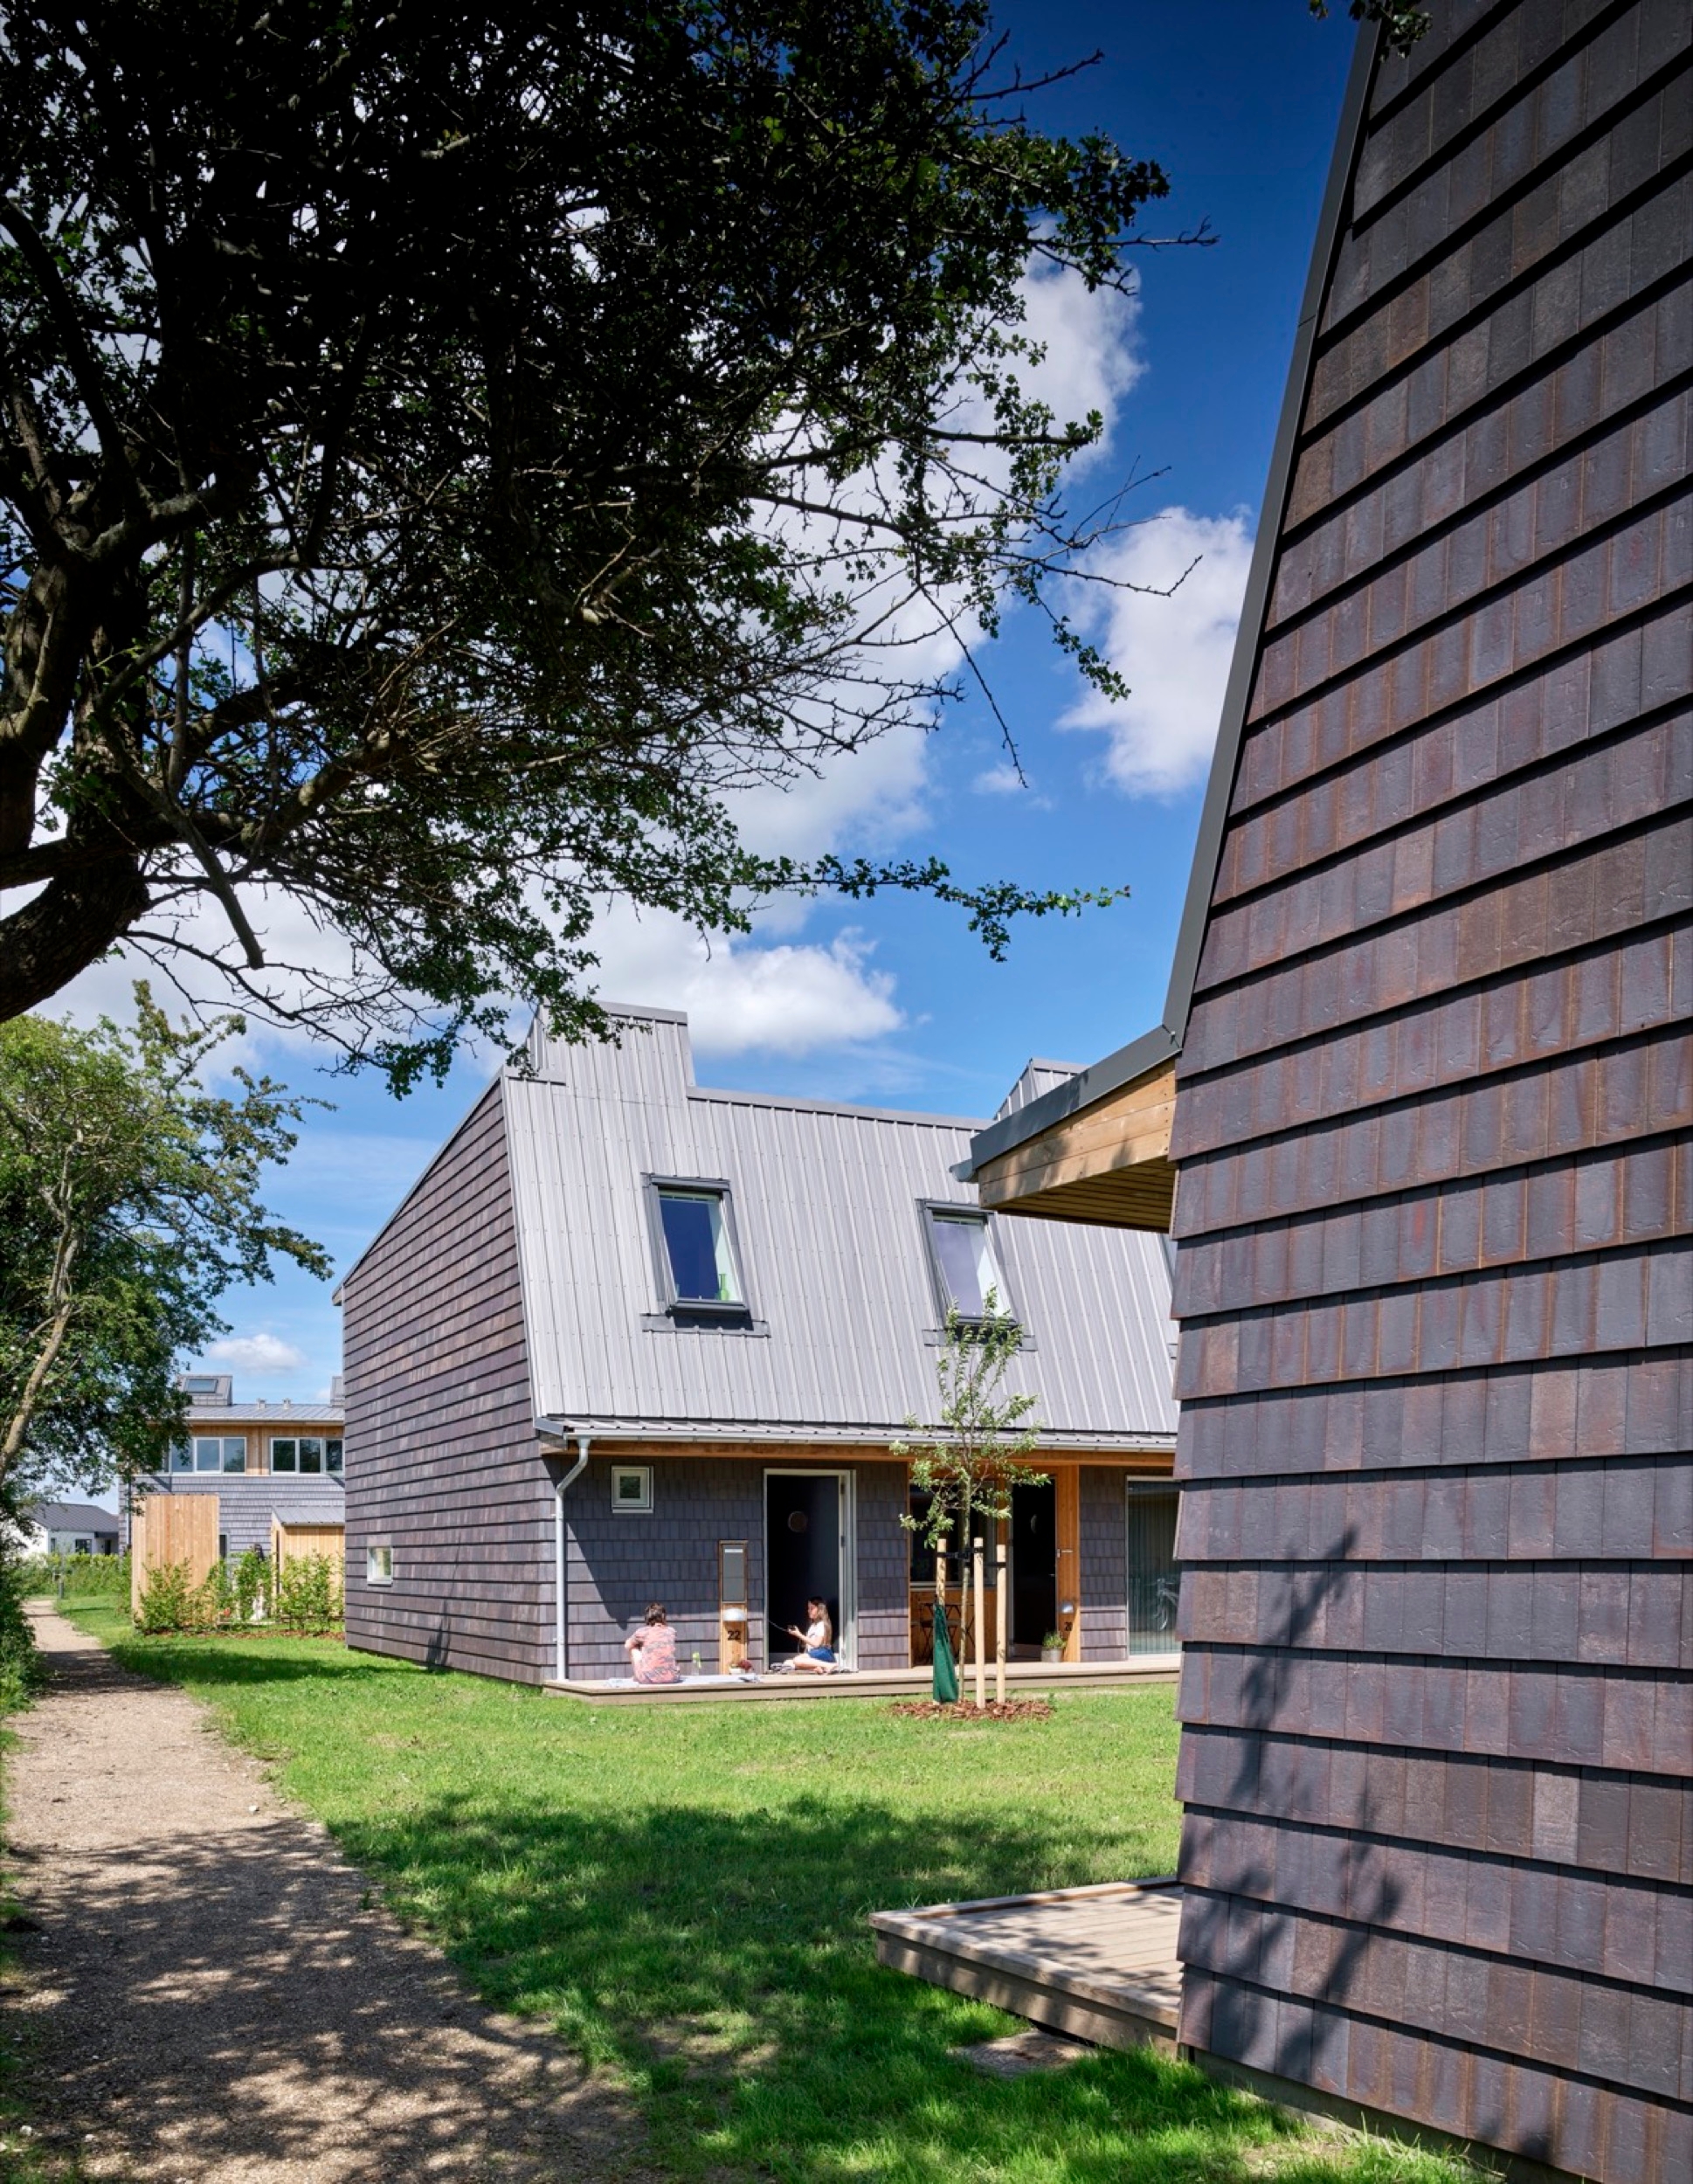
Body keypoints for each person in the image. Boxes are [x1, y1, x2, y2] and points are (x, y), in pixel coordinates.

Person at [625, 1602, 680, 1684]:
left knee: (633, 1649)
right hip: (672, 1678)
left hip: (648, 1679)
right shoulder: (671, 1631)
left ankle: (638, 1675)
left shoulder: (642, 1632)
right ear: (663, 1617)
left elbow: (627, 1645)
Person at [780, 1597, 836, 1672]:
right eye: (808, 1608)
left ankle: (828, 1666)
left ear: (820, 1610)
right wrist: (804, 1656)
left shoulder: (821, 1625)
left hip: (823, 1654)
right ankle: (818, 1668)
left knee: (797, 1660)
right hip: (814, 1655)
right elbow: (808, 1648)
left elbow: (816, 1644)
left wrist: (799, 1634)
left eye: (812, 1608)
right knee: (787, 1663)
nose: (809, 1611)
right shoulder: (812, 1626)